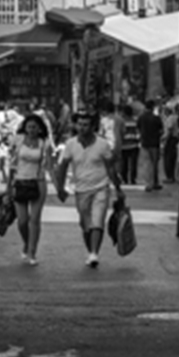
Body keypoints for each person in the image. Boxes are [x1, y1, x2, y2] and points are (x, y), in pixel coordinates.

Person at [55, 112, 124, 268]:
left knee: (97, 221)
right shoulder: (71, 144)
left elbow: (110, 168)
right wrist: (60, 188)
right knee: (85, 225)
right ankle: (91, 250)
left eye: (86, 125)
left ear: (93, 127)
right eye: (79, 124)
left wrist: (118, 188)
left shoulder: (102, 144)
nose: (82, 128)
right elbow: (63, 167)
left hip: (101, 187)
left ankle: (94, 253)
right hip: (81, 189)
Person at [8, 114, 53, 266]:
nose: (32, 130)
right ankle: (27, 243)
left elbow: (49, 164)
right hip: (20, 181)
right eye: (29, 127)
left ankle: (32, 251)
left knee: (34, 219)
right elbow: (12, 163)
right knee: (22, 221)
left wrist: (58, 184)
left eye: (34, 127)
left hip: (37, 181)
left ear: (39, 128)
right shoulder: (18, 140)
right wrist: (9, 185)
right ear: (24, 128)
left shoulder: (44, 143)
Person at [138, 99, 165, 192]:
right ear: (153, 108)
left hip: (144, 143)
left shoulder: (141, 117)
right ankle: (155, 182)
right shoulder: (156, 118)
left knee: (146, 164)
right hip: (154, 143)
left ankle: (148, 184)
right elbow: (161, 130)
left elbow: (138, 128)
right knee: (154, 164)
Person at [163, 102, 179, 184]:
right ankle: (175, 176)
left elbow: (169, 130)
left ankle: (170, 176)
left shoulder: (171, 118)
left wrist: (164, 139)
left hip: (171, 139)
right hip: (178, 139)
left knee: (168, 159)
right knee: (175, 158)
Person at [118, 102, 141, 185]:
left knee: (124, 164)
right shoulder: (135, 121)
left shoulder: (121, 121)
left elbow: (120, 133)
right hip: (134, 145)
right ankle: (133, 179)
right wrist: (138, 140)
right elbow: (138, 132)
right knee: (133, 164)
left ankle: (124, 179)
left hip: (123, 146)